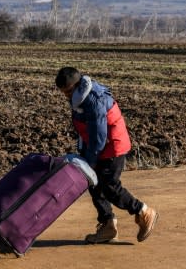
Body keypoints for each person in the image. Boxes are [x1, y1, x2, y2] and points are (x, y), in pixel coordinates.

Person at [55, 66, 159, 244]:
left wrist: (90, 161)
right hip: (98, 146)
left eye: (68, 91)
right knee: (94, 184)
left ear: (77, 84)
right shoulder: (78, 96)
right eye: (63, 93)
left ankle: (143, 212)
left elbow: (99, 136)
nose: (66, 96)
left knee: (109, 186)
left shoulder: (94, 101)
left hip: (113, 146)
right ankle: (108, 225)